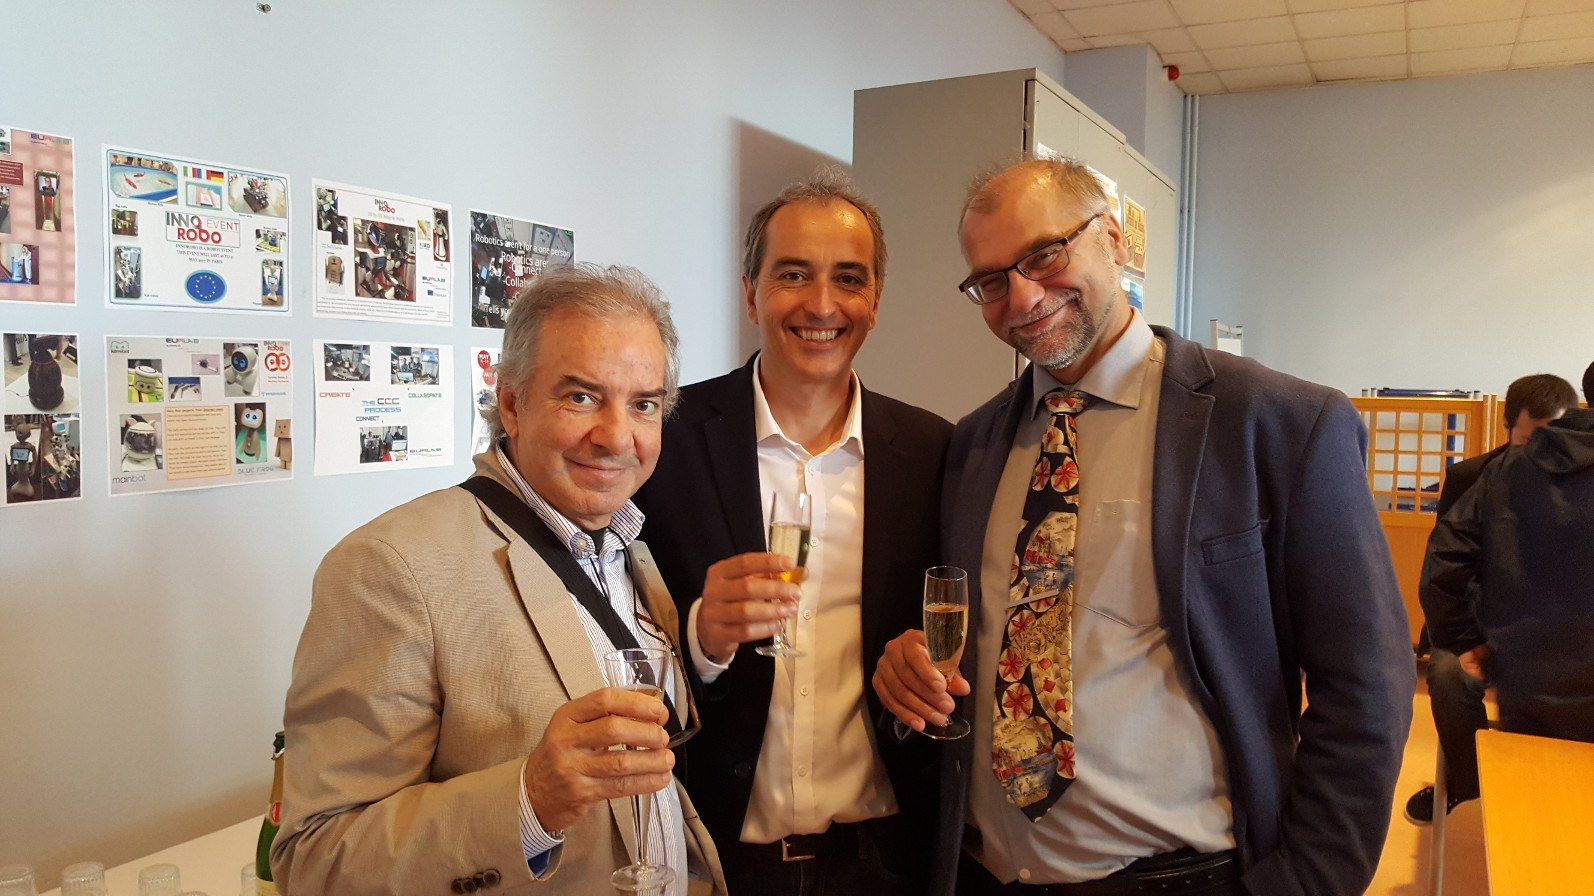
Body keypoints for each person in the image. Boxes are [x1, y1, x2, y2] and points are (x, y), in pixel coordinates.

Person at [873, 156, 1413, 896]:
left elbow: (1366, 686)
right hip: (981, 871)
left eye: (1045, 254)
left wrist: (1306, 881)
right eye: (991, 282)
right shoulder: (973, 445)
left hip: (1184, 877)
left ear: (1114, 237)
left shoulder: (1278, 425)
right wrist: (908, 669)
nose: (1022, 296)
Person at [272, 264, 726, 896]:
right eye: (581, 397)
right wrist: (530, 800)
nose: (616, 436)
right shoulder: (389, 566)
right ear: (512, 404)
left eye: (643, 404)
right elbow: (314, 858)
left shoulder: (628, 546)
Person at [633, 171, 952, 895]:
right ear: (751, 294)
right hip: (717, 857)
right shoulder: (666, 441)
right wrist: (700, 641)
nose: (822, 304)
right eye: (793, 275)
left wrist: (927, 671)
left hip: (884, 860)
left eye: (849, 279)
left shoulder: (933, 452)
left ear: (876, 301)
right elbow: (603, 629)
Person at [1404, 373, 1579, 824]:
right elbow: (1447, 565)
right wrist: (1466, 636)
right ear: (1507, 426)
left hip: (1551, 628)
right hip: (1478, 618)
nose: (1544, 455)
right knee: (1449, 676)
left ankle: (1552, 794)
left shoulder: (1581, 482)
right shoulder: (1474, 476)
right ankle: (1471, 784)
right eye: (1531, 440)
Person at [1421, 397, 1594, 746]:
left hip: (1522, 667)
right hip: (1520, 649)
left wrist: (1464, 638)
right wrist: (1465, 638)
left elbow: (1446, 558)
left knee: (1531, 764)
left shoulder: (1507, 468)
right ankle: (1472, 776)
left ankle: (1481, 780)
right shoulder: (1486, 470)